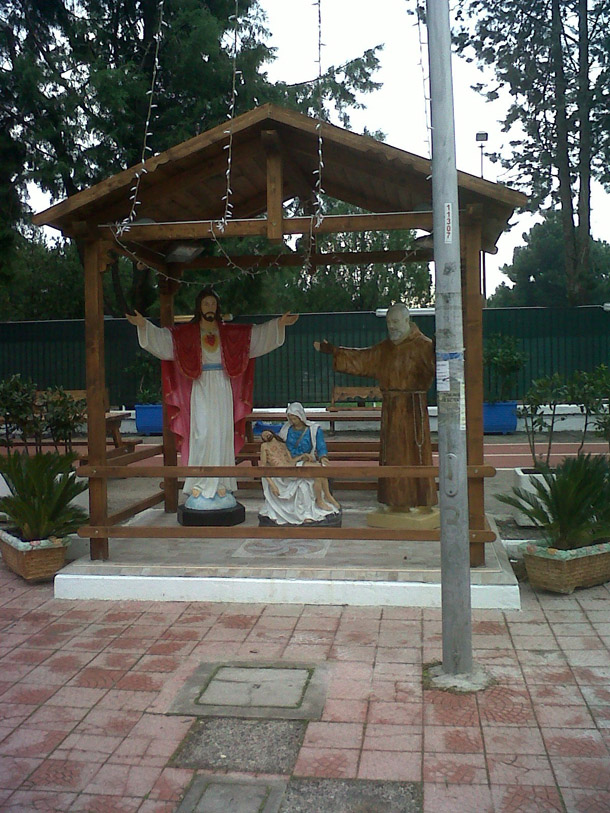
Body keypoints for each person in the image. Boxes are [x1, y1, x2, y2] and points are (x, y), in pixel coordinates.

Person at [126, 288, 298, 512]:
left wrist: (278, 324)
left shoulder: (228, 333)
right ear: (199, 307)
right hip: (200, 386)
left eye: (213, 304)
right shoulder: (187, 334)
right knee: (202, 433)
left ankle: (222, 484)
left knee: (222, 434)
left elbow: (254, 336)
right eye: (206, 303)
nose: (210, 307)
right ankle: (199, 484)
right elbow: (165, 340)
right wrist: (144, 325)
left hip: (222, 387)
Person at [314, 302, 437, 515]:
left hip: (413, 411)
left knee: (414, 455)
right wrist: (334, 351)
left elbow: (441, 366)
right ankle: (396, 501)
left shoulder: (424, 346)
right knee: (393, 456)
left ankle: (420, 501)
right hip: (391, 410)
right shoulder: (385, 348)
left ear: (407, 320)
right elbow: (363, 358)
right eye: (388, 322)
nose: (392, 326)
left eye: (395, 321)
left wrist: (441, 348)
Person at [258, 403, 341, 526]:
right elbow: (264, 466)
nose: (292, 421)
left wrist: (322, 457)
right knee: (317, 472)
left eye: (294, 418)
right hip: (289, 466)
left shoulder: (311, 430)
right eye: (290, 419)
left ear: (301, 416)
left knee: (320, 470)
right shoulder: (270, 443)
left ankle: (325, 497)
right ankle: (322, 499)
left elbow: (320, 447)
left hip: (299, 461)